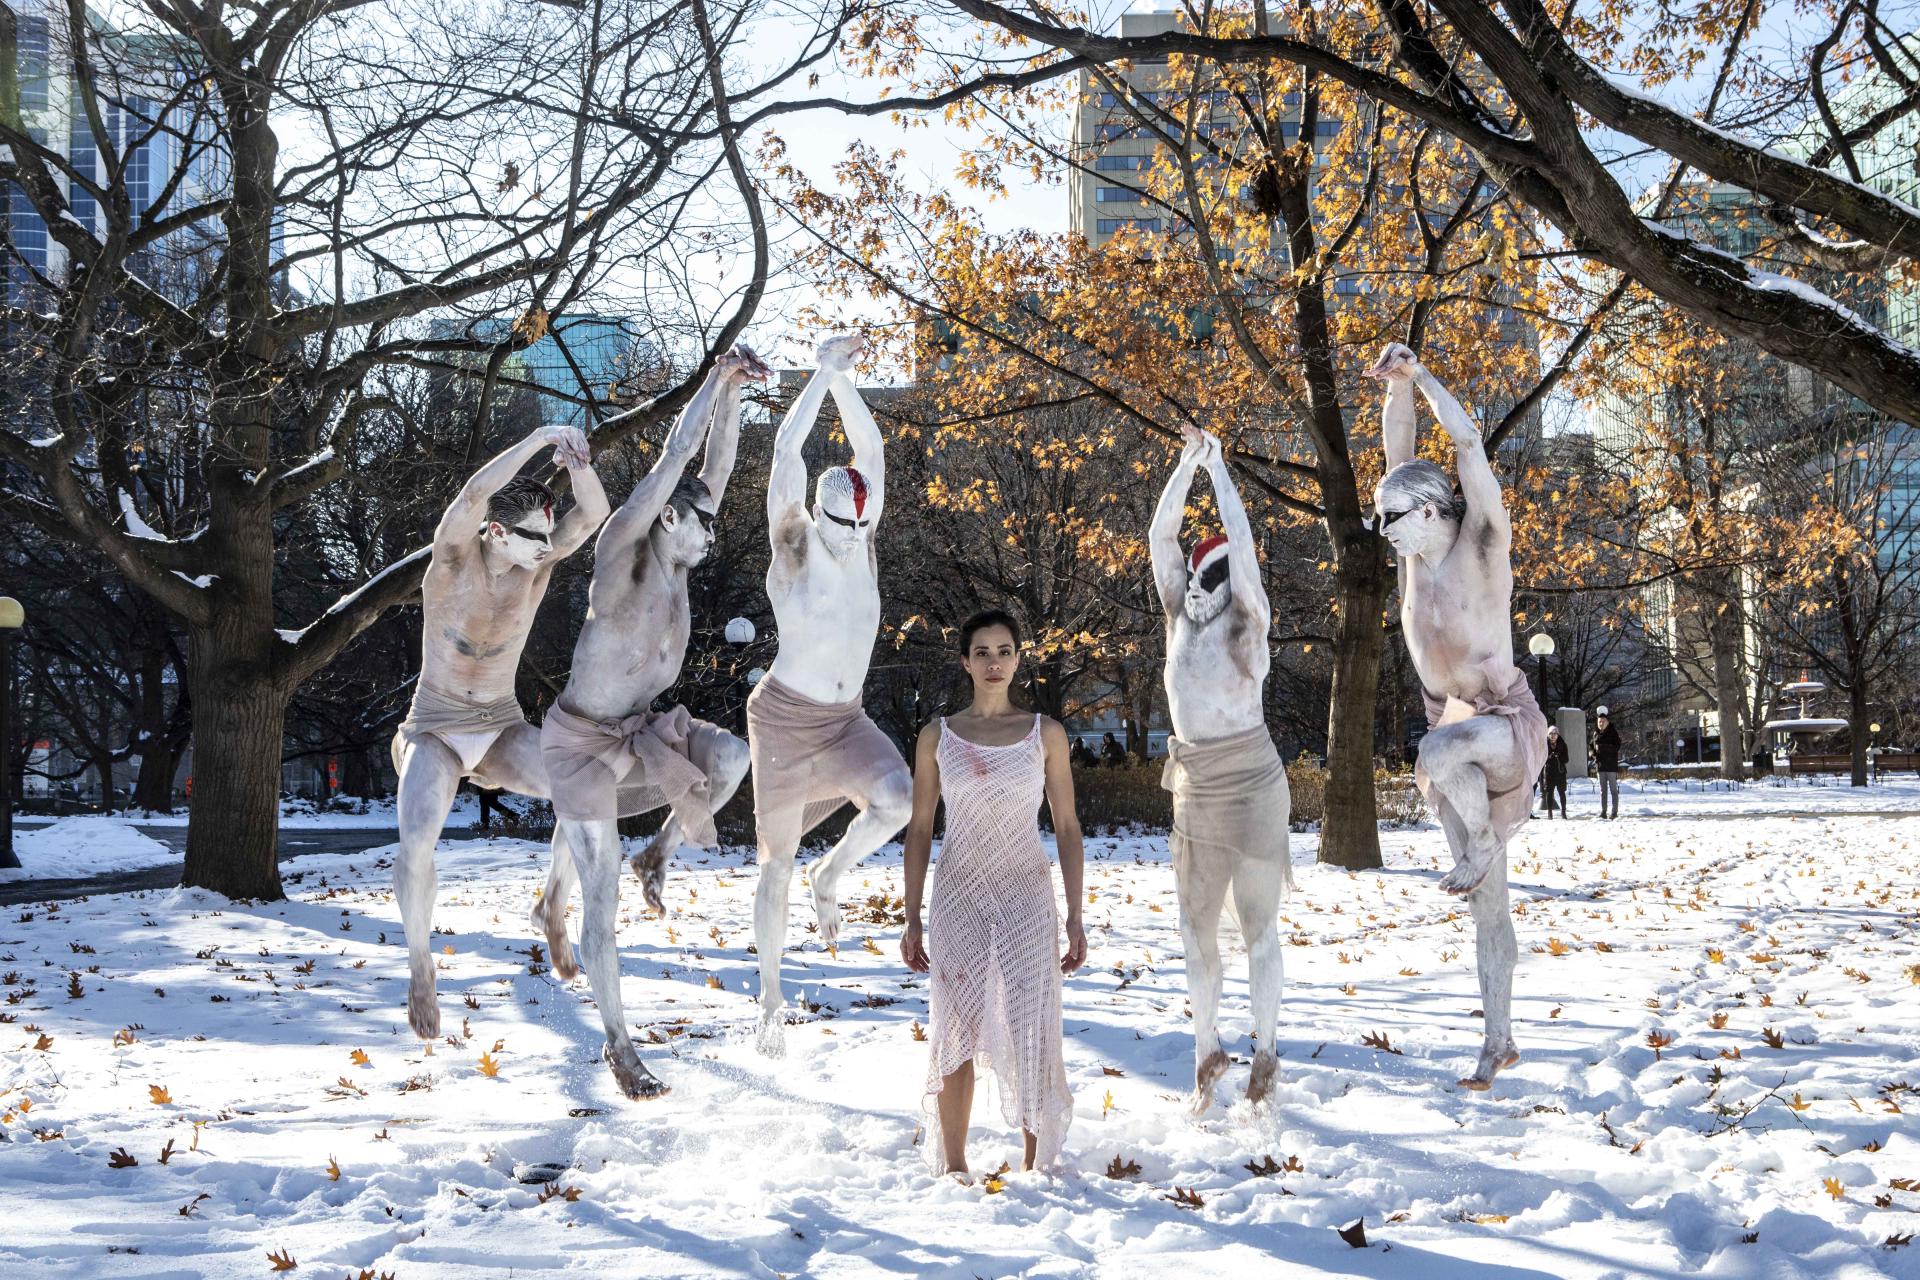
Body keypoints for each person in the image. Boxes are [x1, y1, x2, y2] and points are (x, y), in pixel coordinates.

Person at [531, 345, 768, 1100]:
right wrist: (709, 380)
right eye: (702, 525)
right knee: (598, 898)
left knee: (732, 759)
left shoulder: (680, 561)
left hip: (642, 731)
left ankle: (658, 855)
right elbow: (677, 456)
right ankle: (619, 1044)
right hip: (581, 746)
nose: (712, 537)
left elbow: (716, 469)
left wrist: (733, 392)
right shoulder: (623, 552)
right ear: (668, 517)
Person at [1364, 342, 1548, 1092]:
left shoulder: (1483, 544)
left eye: (1392, 521)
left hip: (1504, 726)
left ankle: (1475, 842)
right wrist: (1397, 388)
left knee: (1437, 756)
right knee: (1488, 906)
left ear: (1432, 510)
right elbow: (1394, 452)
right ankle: (1497, 1040)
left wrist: (1428, 376)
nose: (1384, 536)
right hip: (1454, 732)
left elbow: (1466, 446)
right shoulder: (1411, 555)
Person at [391, 424, 609, 1040]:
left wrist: (578, 461)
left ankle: (550, 905)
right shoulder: (452, 559)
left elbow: (592, 510)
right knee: (417, 843)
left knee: (583, 783)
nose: (547, 548)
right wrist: (540, 437)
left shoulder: (535, 568)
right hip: (433, 726)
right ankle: (420, 965)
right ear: (495, 532)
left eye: (549, 537)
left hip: (499, 724)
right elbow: (470, 495)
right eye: (534, 537)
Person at [746, 332, 913, 1057]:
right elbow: (786, 454)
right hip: (785, 723)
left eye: (862, 524)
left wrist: (847, 380)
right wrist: (817, 374)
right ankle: (771, 997)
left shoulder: (865, 531)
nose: (853, 537)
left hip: (845, 721)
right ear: (819, 514)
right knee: (771, 865)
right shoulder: (795, 544)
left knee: (900, 800)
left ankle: (833, 875)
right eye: (842, 524)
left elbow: (871, 451)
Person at [900, 610, 1087, 1178]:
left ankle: (1037, 1164)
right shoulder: (937, 736)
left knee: (1031, 1025)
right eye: (982, 652)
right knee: (956, 1025)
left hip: (1027, 895)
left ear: (1018, 659)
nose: (993, 663)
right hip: (959, 895)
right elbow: (920, 827)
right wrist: (911, 917)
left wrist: (1077, 915)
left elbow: (1068, 826)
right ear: (965, 661)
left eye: (1004, 651)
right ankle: (954, 1166)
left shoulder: (1044, 733)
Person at [1148, 424, 1293, 1111]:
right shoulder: (1179, 609)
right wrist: (1184, 466)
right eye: (1197, 575)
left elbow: (1244, 540)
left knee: (1260, 925)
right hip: (1197, 782)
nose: (1200, 586)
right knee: (1192, 925)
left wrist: (1223, 475)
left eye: (1217, 576)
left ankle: (1266, 1048)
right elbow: (1160, 539)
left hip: (1253, 779)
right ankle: (1206, 1048)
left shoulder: (1248, 616)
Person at [1593, 707, 1622, 819]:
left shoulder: (1613, 732)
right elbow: (1591, 746)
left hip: (1611, 766)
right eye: (1599, 721)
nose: (1601, 723)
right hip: (1600, 766)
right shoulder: (1595, 733)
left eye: (1603, 721)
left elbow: (1617, 747)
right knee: (1602, 791)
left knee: (1613, 790)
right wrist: (1592, 753)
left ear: (1607, 722)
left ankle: (1614, 812)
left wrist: (1601, 747)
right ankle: (1603, 812)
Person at [1539, 726, 1569, 818]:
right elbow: (1541, 758)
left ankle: (1563, 812)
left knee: (1562, 792)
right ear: (1548, 735)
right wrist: (1549, 757)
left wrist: (1558, 756)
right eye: (1551, 734)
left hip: (1560, 772)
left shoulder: (1563, 744)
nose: (1553, 736)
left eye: (1555, 734)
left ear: (1558, 735)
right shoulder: (1544, 745)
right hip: (1549, 772)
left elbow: (1566, 759)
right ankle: (1550, 813)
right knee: (1549, 792)